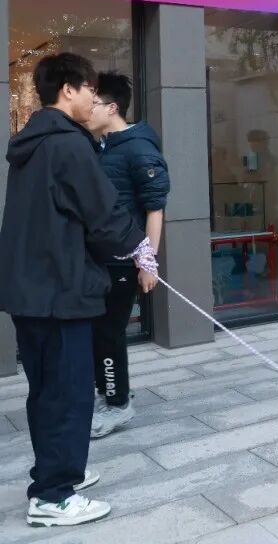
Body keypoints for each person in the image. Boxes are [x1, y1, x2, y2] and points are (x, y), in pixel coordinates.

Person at [0, 53, 160, 528]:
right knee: (68, 392)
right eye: (89, 89)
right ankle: (53, 496)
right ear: (68, 89)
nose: (94, 98)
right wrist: (141, 249)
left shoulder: (32, 143)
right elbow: (104, 213)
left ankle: (58, 470)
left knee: (47, 390)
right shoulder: (69, 144)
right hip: (60, 289)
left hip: (33, 290)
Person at [85, 71, 170, 438]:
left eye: (93, 104)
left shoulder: (139, 149)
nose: (87, 110)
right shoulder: (103, 146)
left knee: (108, 333)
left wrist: (148, 262)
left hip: (123, 260)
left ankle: (117, 404)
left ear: (112, 108)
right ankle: (109, 392)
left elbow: (155, 208)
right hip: (100, 259)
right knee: (98, 331)